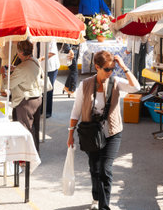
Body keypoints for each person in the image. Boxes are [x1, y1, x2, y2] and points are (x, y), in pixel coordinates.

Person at [67, 51, 140, 210]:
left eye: (112, 69)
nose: (110, 72)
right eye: (107, 69)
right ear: (97, 67)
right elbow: (76, 111)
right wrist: (70, 134)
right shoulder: (85, 84)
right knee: (94, 169)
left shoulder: (116, 82)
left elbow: (136, 87)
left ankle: (104, 206)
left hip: (112, 133)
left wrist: (124, 67)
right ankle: (96, 197)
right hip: (91, 133)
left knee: (105, 170)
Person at [9, 40, 43, 152]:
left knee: (23, 129)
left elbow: (9, 84)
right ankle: (35, 152)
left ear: (20, 52)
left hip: (26, 101)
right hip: (37, 98)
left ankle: (24, 157)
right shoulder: (34, 61)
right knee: (34, 128)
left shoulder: (22, 67)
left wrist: (5, 75)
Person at [37, 41, 60, 118]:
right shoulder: (35, 38)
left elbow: (52, 52)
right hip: (40, 67)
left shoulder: (50, 38)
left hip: (51, 67)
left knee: (48, 89)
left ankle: (47, 111)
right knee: (41, 89)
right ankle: (40, 109)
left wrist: (41, 59)